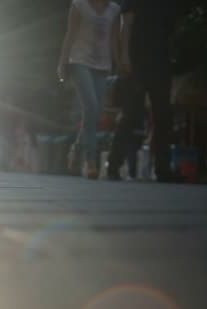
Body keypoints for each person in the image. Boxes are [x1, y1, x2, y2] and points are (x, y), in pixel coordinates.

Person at [107, 0, 177, 182]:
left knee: (163, 116)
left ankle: (163, 169)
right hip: (136, 64)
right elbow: (126, 25)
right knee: (131, 115)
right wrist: (123, 57)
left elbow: (168, 33)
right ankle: (113, 165)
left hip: (161, 63)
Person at [58, 0, 121, 179]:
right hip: (79, 61)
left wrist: (120, 61)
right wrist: (62, 62)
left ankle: (76, 152)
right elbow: (70, 34)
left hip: (102, 65)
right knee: (91, 107)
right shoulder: (79, 5)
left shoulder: (114, 9)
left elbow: (114, 38)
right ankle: (90, 161)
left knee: (95, 113)